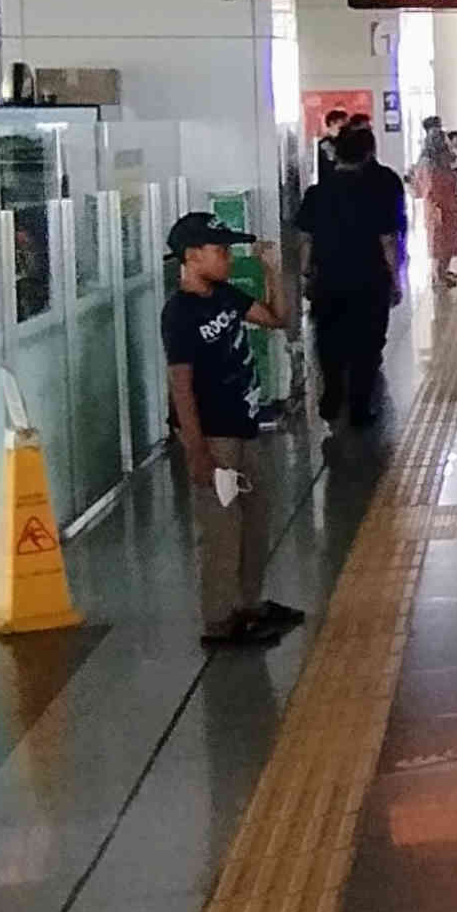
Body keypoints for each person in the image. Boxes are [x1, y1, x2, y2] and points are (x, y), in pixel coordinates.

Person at [164, 212, 299, 651]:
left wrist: (271, 270)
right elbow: (180, 384)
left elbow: (279, 319)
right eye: (220, 251)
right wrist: (196, 449)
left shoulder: (224, 295)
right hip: (214, 434)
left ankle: (248, 604)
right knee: (221, 527)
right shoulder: (180, 313)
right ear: (191, 256)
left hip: (245, 424)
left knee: (254, 520)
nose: (227, 259)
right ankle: (219, 619)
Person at [290, 121, 407, 434]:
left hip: (328, 279)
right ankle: (359, 406)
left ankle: (331, 394)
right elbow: (387, 241)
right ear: (368, 154)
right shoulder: (376, 191)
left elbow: (305, 239)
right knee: (367, 344)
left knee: (329, 339)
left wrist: (305, 273)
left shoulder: (317, 193)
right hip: (370, 280)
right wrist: (396, 279)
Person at [418, 125, 457, 289]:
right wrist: (436, 208)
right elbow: (429, 189)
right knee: (441, 244)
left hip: (448, 207)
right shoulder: (430, 165)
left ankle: (442, 274)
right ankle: (439, 277)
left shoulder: (440, 161)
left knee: (448, 243)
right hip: (440, 209)